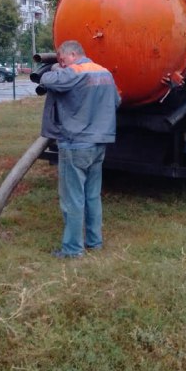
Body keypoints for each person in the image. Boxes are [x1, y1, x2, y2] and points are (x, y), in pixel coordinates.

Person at [39, 40, 120, 258]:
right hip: (99, 143)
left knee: (72, 199)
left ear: (73, 54)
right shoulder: (104, 73)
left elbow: (46, 79)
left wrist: (55, 68)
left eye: (63, 59)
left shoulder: (74, 72)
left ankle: (73, 249)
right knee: (92, 196)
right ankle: (94, 242)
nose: (62, 64)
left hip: (75, 144)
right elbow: (117, 101)